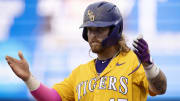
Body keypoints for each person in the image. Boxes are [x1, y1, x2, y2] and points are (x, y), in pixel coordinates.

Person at [5, 1, 167, 101]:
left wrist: (148, 65)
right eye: (89, 30)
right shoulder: (80, 72)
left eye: (99, 29)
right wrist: (28, 78)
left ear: (115, 30)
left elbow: (160, 88)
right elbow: (54, 98)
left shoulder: (132, 62)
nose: (92, 35)